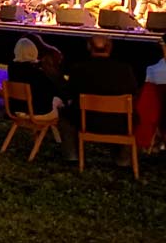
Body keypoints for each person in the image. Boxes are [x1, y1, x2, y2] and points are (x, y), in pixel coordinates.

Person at [57, 35, 138, 164]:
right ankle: (123, 159)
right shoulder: (125, 70)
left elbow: (69, 93)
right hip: (119, 124)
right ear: (110, 47)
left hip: (85, 122)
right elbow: (133, 93)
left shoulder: (79, 69)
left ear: (89, 46)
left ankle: (71, 156)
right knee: (134, 117)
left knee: (64, 115)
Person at [6, 37, 63, 118]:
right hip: (36, 111)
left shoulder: (12, 68)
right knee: (57, 99)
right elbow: (51, 89)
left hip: (16, 109)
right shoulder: (35, 71)